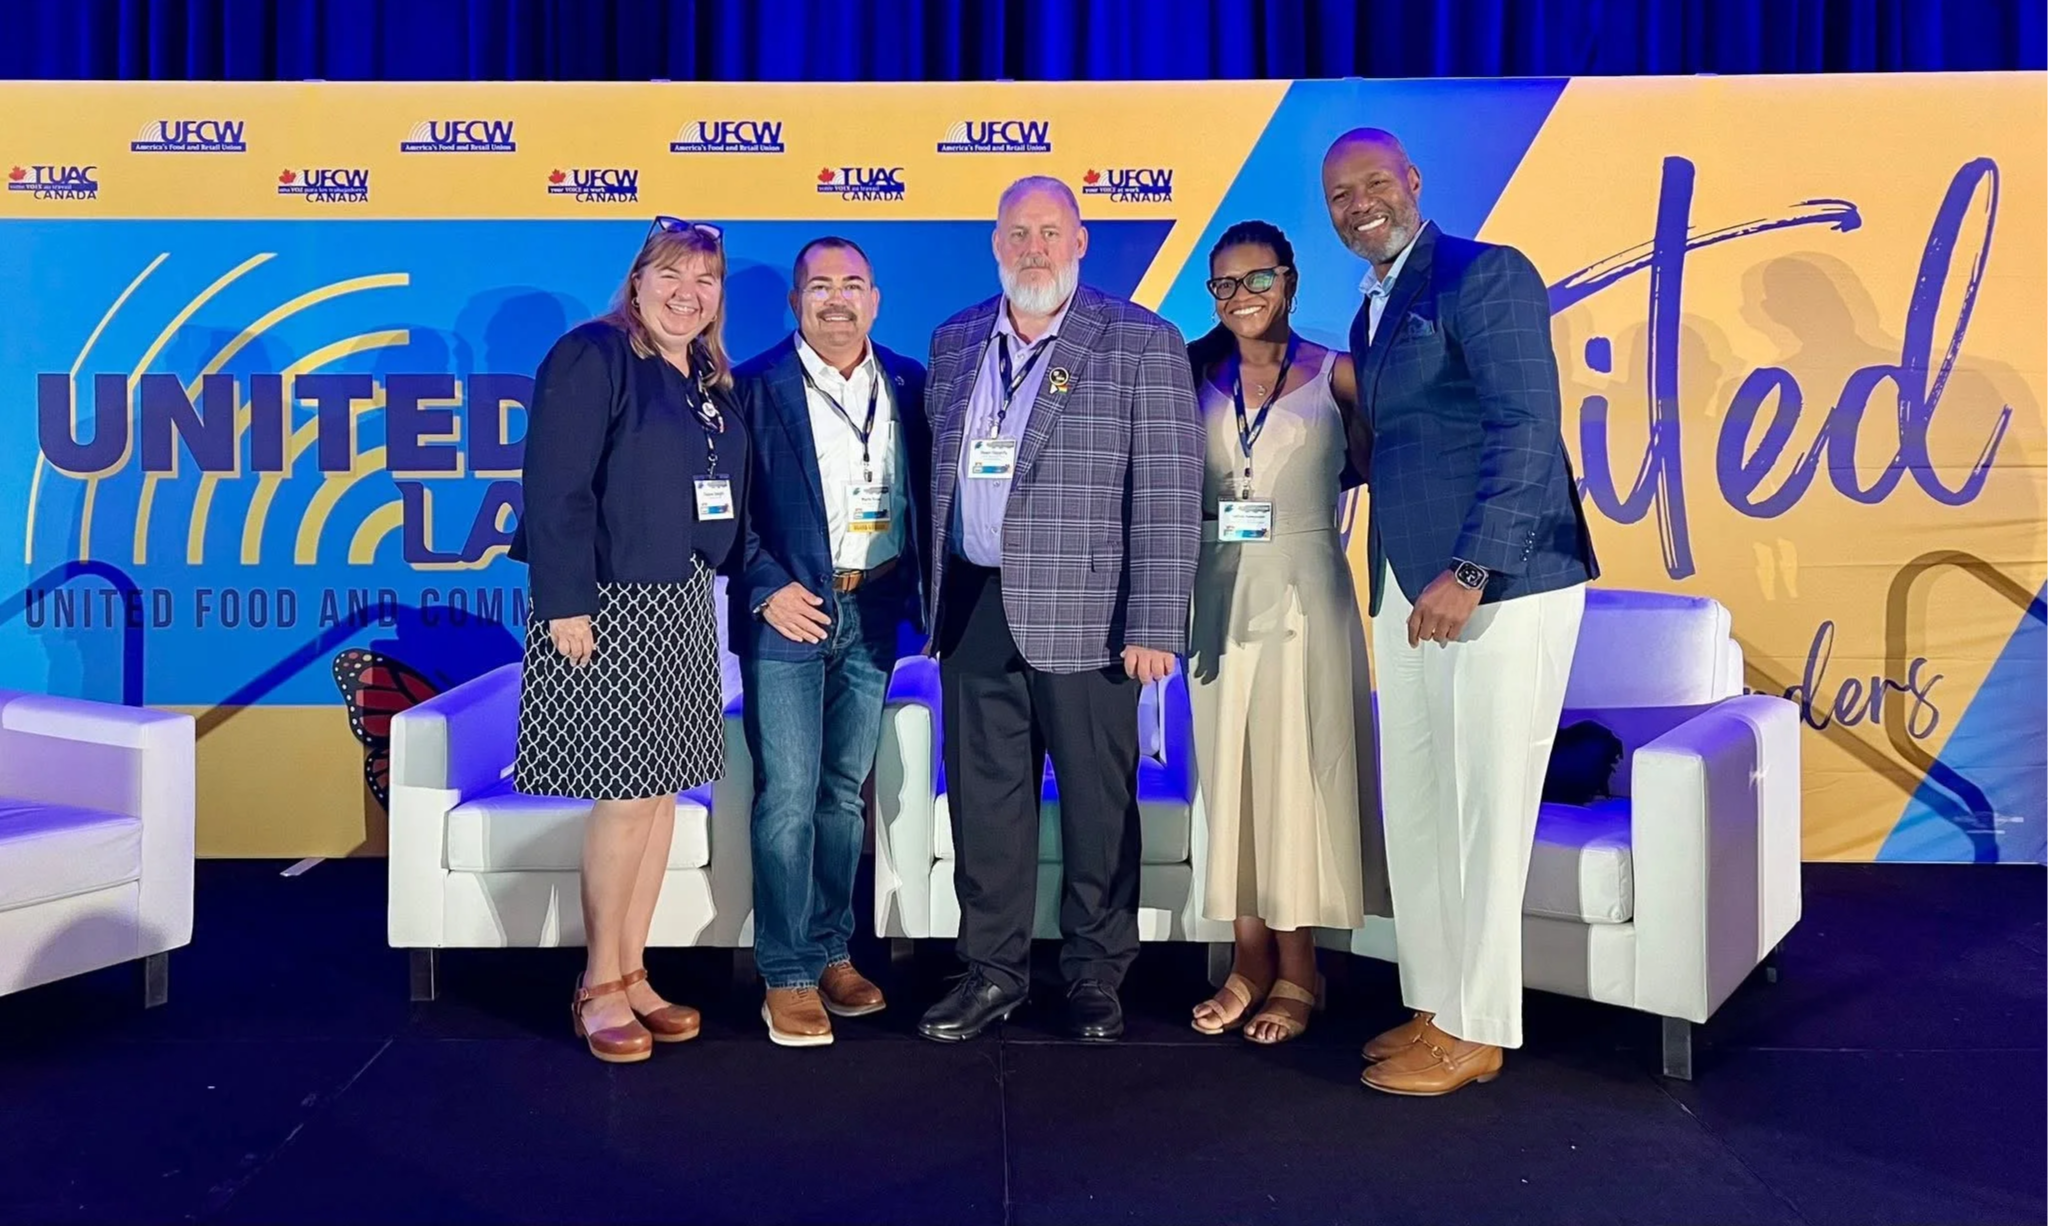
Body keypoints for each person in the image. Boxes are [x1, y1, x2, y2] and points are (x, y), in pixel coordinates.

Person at [1322, 128, 1599, 1095]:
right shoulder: (1370, 312)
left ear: (1413, 181)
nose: (1359, 204)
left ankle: (1481, 1026)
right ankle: (1436, 1003)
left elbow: (1528, 428)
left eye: (1374, 184)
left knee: (1485, 804)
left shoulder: (1485, 275)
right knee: (1424, 807)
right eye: (1340, 195)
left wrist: (1474, 569)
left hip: (1499, 587)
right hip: (1404, 583)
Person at [916, 175, 1204, 1044]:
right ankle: (992, 972)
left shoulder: (1142, 341)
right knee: (985, 809)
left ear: (1080, 241)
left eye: (1049, 232)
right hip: (973, 605)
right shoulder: (957, 338)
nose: (1032, 248)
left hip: (1093, 617)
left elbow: (1168, 488)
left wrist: (1156, 621)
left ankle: (1095, 976)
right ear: (995, 243)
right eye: (1016, 233)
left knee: (1096, 804)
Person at [509, 217, 749, 1064]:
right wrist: (565, 604)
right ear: (638, 280)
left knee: (656, 802)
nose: (689, 293)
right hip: (604, 609)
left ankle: (635, 970)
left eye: (706, 280)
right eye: (672, 275)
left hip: (682, 604)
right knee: (621, 802)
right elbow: (555, 485)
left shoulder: (706, 376)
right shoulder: (595, 354)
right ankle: (596, 986)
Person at [1182, 220, 1391, 1045]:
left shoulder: (1339, 375)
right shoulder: (1193, 373)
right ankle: (1246, 961)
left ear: (1291, 280)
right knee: (1229, 773)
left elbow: (1389, 467)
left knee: (1298, 776)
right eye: (1225, 285)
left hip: (1308, 596)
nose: (1241, 299)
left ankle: (1301, 972)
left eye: (1256, 280)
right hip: (1215, 594)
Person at [730, 237, 930, 1047]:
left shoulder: (912, 383)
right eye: (820, 286)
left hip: (873, 609)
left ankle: (830, 949)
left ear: (876, 300)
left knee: (843, 795)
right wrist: (766, 586)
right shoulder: (748, 388)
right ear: (795, 301)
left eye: (853, 285)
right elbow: (723, 511)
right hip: (789, 612)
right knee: (786, 795)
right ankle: (783, 971)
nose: (837, 299)